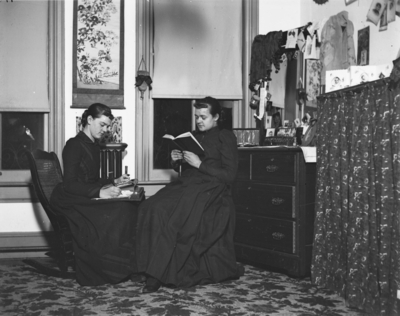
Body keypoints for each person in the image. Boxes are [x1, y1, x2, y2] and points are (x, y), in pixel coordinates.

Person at [136, 96, 244, 293]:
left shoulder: (225, 137)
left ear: (217, 117)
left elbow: (230, 175)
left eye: (203, 117)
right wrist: (177, 160)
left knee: (174, 215)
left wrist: (199, 164)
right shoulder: (192, 137)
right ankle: (147, 268)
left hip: (211, 189)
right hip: (187, 184)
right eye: (197, 117)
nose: (199, 121)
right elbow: (186, 170)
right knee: (150, 207)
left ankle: (157, 275)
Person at [50, 103, 137, 286]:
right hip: (70, 198)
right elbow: (70, 183)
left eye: (108, 126)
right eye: (103, 124)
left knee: (128, 205)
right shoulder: (74, 145)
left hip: (82, 194)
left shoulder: (93, 145)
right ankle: (109, 268)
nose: (105, 129)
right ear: (89, 120)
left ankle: (120, 265)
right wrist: (99, 192)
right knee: (121, 209)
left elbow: (90, 179)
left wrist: (113, 182)